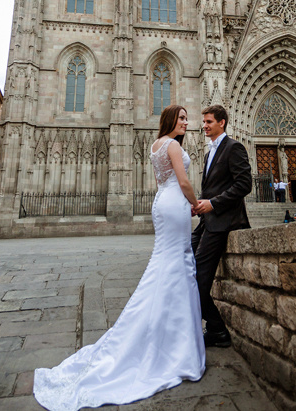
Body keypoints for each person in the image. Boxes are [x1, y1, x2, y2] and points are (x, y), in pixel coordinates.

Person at [34, 105, 205, 410]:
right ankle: (175, 344)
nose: (185, 122)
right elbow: (183, 182)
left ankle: (158, 331)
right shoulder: (174, 147)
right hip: (176, 203)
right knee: (178, 263)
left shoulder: (155, 146)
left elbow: (161, 183)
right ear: (170, 121)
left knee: (165, 263)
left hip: (161, 204)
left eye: (186, 119)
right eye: (181, 118)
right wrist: (197, 203)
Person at [193, 104, 252, 349]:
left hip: (223, 223)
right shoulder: (209, 153)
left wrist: (214, 204)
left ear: (222, 122)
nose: (204, 126)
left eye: (208, 122)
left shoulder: (233, 147)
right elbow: (213, 187)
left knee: (197, 280)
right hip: (207, 222)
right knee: (184, 270)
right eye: (204, 122)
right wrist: (200, 205)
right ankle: (214, 328)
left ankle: (217, 329)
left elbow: (244, 184)